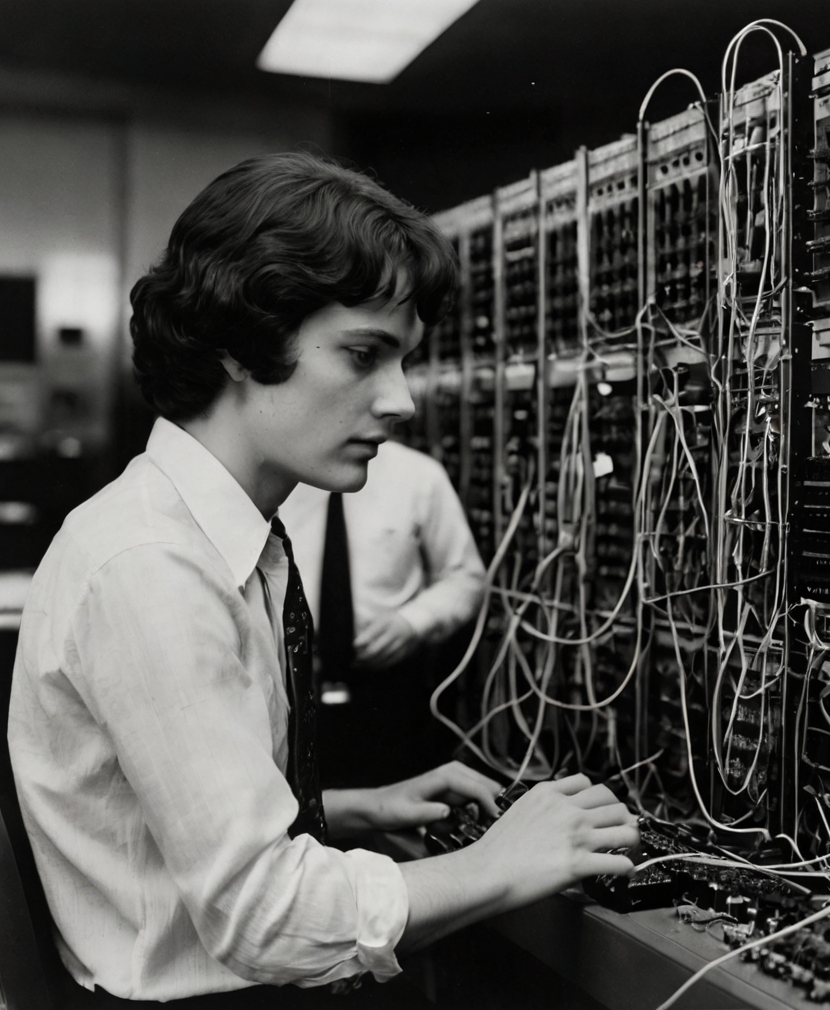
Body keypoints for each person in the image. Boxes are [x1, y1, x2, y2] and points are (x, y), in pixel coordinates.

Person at [7, 152, 638, 1006]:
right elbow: (265, 918)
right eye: (364, 354)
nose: (402, 400)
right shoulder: (151, 568)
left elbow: (151, 828)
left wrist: (342, 811)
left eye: (404, 359)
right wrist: (498, 862)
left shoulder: (213, 537)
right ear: (240, 345)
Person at [280, 441, 486, 787]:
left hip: (389, 690)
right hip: (292, 686)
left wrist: (413, 623)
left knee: (395, 808)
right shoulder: (277, 475)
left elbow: (466, 577)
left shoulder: (418, 476)